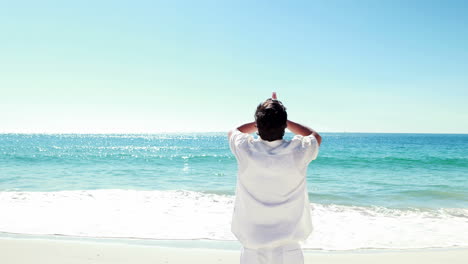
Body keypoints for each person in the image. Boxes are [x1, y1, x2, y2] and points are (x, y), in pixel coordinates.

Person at [228, 92, 321, 264]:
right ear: (284, 126)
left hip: (252, 248)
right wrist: (282, 119)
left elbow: (234, 131)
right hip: (289, 250)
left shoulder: (246, 150)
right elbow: (315, 136)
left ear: (257, 125)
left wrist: (263, 120)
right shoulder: (298, 151)